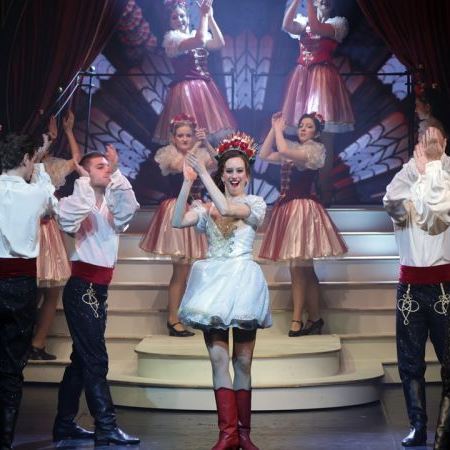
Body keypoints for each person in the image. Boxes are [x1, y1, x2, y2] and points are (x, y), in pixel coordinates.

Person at [172, 133, 271, 450]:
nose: (234, 175)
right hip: (213, 286)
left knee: (243, 362)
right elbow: (177, 221)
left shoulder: (255, 204)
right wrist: (188, 182)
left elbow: (227, 209)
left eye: (239, 170)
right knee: (218, 360)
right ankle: (227, 434)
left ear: (247, 174)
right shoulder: (205, 208)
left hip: (242, 284)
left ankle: (244, 434)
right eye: (229, 171)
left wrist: (204, 172)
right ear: (223, 175)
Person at [53, 146, 140, 446]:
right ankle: (106, 425)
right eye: (100, 166)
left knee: (82, 359)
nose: (107, 169)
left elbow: (128, 209)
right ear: (86, 172)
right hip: (82, 289)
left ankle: (64, 424)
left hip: (99, 289)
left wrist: (116, 172)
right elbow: (67, 221)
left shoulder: (113, 203)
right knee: (95, 359)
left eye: (108, 166)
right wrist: (83, 183)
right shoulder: (78, 202)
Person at [383, 127, 450, 448]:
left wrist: (433, 168)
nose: (430, 144)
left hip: (444, 286)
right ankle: (418, 425)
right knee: (410, 362)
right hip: (410, 287)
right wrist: (417, 171)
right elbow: (392, 201)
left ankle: (444, 430)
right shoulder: (407, 177)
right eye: (425, 140)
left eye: (435, 139)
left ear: (445, 143)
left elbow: (437, 212)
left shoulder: (446, 178)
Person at [258, 112, 347, 337]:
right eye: (301, 126)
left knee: (299, 267)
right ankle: (315, 318)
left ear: (316, 132)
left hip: (303, 210)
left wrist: (279, 131)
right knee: (303, 268)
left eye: (308, 126)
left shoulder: (313, 150)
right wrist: (273, 128)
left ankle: (297, 319)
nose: (303, 129)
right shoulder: (294, 149)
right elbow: (264, 154)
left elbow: (284, 150)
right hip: (289, 209)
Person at [0, 133, 57, 450]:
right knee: (12, 365)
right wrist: (41, 165)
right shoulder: (36, 192)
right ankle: (5, 439)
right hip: (20, 285)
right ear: (25, 159)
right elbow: (51, 205)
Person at [141, 114, 216, 337]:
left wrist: (206, 143)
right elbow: (180, 166)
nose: (185, 139)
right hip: (177, 209)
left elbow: (218, 163)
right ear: (173, 138)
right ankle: (173, 319)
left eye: (188, 135)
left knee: (189, 269)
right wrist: (197, 145)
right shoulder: (169, 154)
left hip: (196, 210)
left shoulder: (200, 152)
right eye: (181, 135)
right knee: (181, 268)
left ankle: (180, 315)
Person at [281, 0, 354, 203]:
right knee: (304, 134)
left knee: (325, 138)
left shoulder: (338, 23)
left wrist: (309, 4)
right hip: (302, 79)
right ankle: (304, 186)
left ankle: (324, 187)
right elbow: (286, 25)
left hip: (322, 79)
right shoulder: (303, 21)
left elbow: (316, 27)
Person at [30, 112, 82, 361]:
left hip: (48, 231)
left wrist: (69, 131)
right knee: (30, 290)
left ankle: (37, 343)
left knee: (51, 292)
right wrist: (48, 140)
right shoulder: (25, 163)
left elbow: (76, 159)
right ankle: (23, 340)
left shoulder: (52, 165)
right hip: (31, 230)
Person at [153, 0, 236, 144]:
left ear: (187, 17)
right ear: (170, 22)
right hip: (185, 91)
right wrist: (203, 15)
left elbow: (219, 43)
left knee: (207, 136)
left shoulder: (194, 34)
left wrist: (210, 17)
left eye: (182, 16)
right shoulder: (172, 40)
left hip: (205, 89)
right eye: (174, 18)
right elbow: (200, 40)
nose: (179, 20)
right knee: (190, 135)